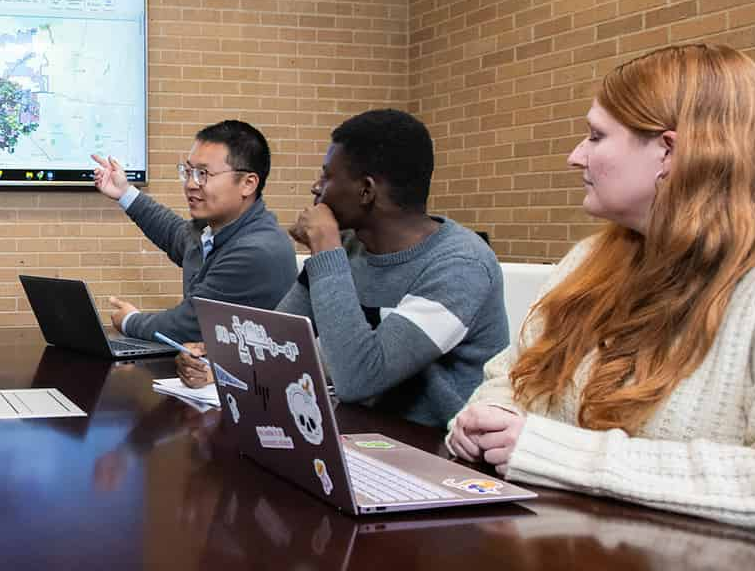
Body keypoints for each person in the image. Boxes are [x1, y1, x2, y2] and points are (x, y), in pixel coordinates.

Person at [446, 43, 755, 571]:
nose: (575, 156)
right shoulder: (590, 259)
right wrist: (493, 420)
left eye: (595, 136)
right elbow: (511, 380)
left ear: (670, 152)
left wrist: (550, 453)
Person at [174, 110, 507, 428]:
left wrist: (325, 246)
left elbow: (359, 379)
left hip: (439, 452)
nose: (316, 188)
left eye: (327, 176)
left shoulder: (461, 265)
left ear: (366, 191)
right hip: (362, 432)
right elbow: (275, 340)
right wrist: (218, 362)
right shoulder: (348, 248)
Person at [90, 120, 297, 343]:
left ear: (248, 183)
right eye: (188, 172)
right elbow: (174, 233)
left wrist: (130, 320)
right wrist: (124, 192)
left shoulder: (255, 250)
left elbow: (189, 324)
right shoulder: (216, 230)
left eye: (203, 174)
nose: (190, 184)